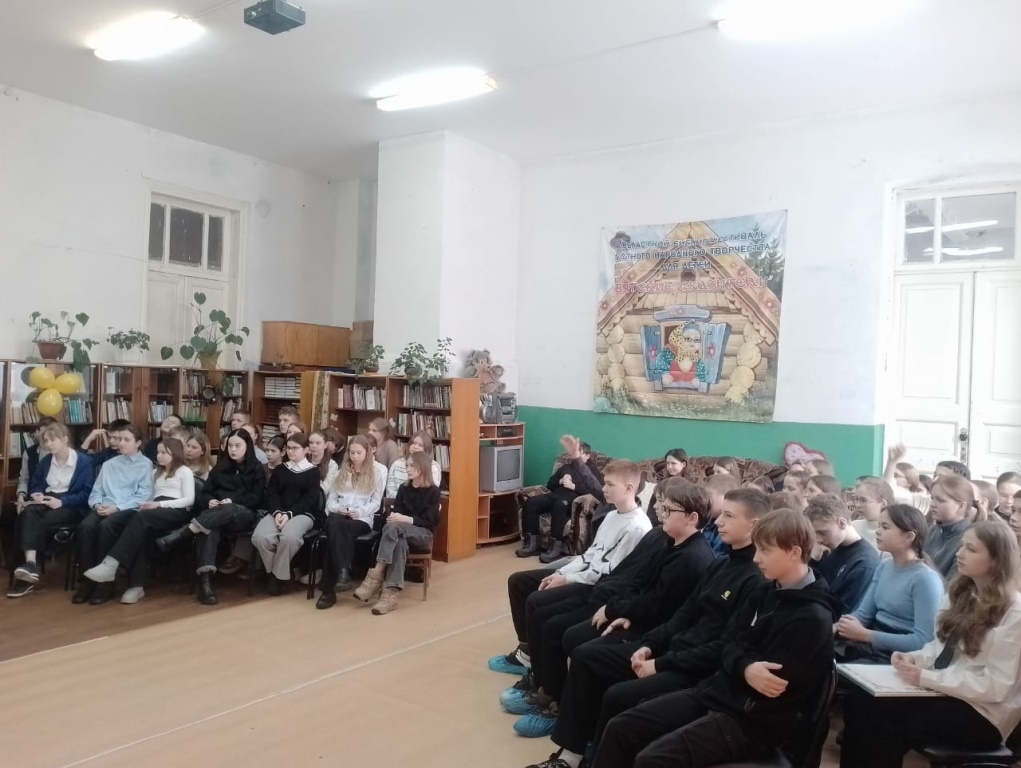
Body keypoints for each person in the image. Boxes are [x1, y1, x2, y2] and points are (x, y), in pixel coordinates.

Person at [522, 488, 770, 768]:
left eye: (729, 516)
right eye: (721, 514)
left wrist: (659, 662)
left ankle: (592, 756)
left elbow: (721, 647)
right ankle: (572, 755)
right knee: (587, 657)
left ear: (754, 524)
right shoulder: (722, 562)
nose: (719, 522)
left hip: (694, 669)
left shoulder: (752, 578)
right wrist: (649, 644)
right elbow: (684, 614)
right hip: (673, 648)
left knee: (616, 695)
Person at [591, 509, 841, 768]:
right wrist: (744, 667)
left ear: (794, 553)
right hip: (718, 692)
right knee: (622, 727)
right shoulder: (767, 590)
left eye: (765, 551)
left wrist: (739, 663)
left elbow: (767, 688)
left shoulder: (812, 619)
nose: (756, 558)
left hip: (750, 722)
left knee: (652, 760)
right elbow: (730, 642)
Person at [509, 478, 716, 739]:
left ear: (692, 518)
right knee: (554, 621)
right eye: (661, 507)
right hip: (631, 610)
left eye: (668, 509)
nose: (660, 513)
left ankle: (563, 716)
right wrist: (619, 609)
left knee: (578, 645)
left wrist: (617, 611)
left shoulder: (692, 557)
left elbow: (661, 607)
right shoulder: (667, 540)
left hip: (654, 630)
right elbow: (639, 580)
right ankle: (550, 693)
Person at [840, 523, 1021, 768]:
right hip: (944, 693)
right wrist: (914, 659)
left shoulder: (1014, 612)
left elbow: (995, 687)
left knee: (880, 715)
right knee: (859, 700)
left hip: (983, 714)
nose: (960, 554)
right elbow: (940, 649)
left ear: (997, 560)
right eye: (961, 546)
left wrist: (926, 678)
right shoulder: (961, 593)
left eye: (971, 549)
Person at [490, 459, 650, 678]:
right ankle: (527, 653)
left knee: (537, 600)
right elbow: (590, 555)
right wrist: (562, 573)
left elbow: (609, 572)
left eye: (610, 484)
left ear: (629, 488)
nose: (603, 489)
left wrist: (568, 579)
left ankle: (538, 668)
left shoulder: (637, 527)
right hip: (584, 573)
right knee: (519, 581)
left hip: (596, 585)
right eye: (605, 483)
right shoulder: (612, 515)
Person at [155, 429, 265, 606]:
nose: (233, 449)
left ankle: (184, 532)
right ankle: (205, 585)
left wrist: (232, 501)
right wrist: (210, 501)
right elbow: (205, 493)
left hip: (243, 515)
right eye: (230, 445)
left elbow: (257, 498)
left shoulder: (256, 468)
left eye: (238, 445)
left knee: (227, 509)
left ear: (248, 446)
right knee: (208, 528)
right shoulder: (221, 466)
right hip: (216, 516)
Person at [82, 437, 195, 604]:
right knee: (139, 533)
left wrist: (159, 504)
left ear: (175, 453)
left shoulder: (184, 471)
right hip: (154, 511)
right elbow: (149, 496)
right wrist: (147, 504)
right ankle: (136, 586)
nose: (159, 455)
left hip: (176, 510)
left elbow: (189, 500)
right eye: (158, 452)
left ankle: (111, 563)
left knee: (140, 518)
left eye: (164, 452)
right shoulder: (155, 473)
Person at [833, 504, 944, 663]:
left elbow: (923, 641)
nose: (878, 531)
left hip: (898, 657)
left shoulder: (925, 579)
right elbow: (863, 615)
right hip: (870, 647)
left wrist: (866, 635)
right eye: (879, 525)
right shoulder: (885, 566)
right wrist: (838, 627)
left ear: (909, 537)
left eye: (885, 527)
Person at [6, 423, 95, 598]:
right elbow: (36, 484)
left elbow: (86, 494)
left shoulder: (83, 462)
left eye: (52, 440)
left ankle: (26, 578)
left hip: (71, 505)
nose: (48, 444)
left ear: (65, 439)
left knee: (30, 523)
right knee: (27, 513)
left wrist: (62, 501)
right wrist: (38, 495)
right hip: (47, 500)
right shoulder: (46, 461)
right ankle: (31, 564)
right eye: (46, 440)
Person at [351, 451, 442, 615]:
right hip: (401, 533)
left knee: (394, 528)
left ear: (423, 467)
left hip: (423, 533)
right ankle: (390, 596)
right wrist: (395, 518)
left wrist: (405, 519)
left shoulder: (434, 492)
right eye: (407, 465)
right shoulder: (403, 488)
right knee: (398, 541)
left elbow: (428, 522)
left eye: (412, 465)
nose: (408, 469)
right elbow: (397, 515)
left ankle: (376, 575)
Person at [72, 424, 154, 606]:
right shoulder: (109, 464)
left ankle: (105, 585)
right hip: (105, 506)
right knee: (85, 527)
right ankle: (86, 581)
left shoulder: (146, 465)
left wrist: (116, 508)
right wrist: (97, 504)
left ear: (137, 443)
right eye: (119, 439)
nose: (121, 443)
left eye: (126, 440)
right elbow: (96, 491)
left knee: (105, 527)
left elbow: (143, 496)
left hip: (128, 509)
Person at [316, 435, 387, 604]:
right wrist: (338, 508)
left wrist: (360, 511)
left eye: (359, 453)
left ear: (367, 453)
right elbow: (330, 502)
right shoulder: (340, 473)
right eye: (352, 452)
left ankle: (329, 589)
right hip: (340, 515)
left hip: (361, 520)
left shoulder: (376, 474)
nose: (355, 456)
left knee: (334, 530)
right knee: (335, 523)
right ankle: (342, 573)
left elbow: (376, 503)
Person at [251, 433, 322, 595]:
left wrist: (290, 514)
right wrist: (277, 512)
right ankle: (279, 572)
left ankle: (274, 578)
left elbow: (310, 499)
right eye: (288, 448)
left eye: (295, 448)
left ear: (306, 450)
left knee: (289, 538)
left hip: (303, 514)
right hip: (277, 512)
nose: (291, 451)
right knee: (260, 537)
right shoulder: (280, 469)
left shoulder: (313, 472)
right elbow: (273, 494)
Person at [516, 436, 604, 564]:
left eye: (579, 453)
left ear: (587, 456)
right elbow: (550, 484)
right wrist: (560, 481)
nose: (576, 457)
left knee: (559, 505)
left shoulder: (592, 471)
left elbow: (596, 491)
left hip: (573, 499)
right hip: (556, 495)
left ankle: (555, 548)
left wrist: (574, 486)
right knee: (531, 502)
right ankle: (532, 545)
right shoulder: (566, 467)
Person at [806, 493, 879, 612]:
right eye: (815, 533)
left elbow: (842, 610)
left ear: (842, 523)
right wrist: (813, 560)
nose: (818, 539)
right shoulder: (826, 549)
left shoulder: (864, 563)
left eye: (822, 532)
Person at [927, 474, 977, 580]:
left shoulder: (969, 539)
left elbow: (953, 584)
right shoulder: (931, 531)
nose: (932, 504)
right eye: (932, 498)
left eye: (940, 500)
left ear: (961, 506)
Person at [385, 430, 443, 499]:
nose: (415, 447)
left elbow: (432, 493)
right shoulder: (397, 464)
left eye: (420, 445)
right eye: (414, 443)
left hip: (423, 503)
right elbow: (390, 492)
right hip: (399, 502)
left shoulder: (433, 466)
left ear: (426, 449)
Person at [644, 449, 687, 527]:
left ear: (684, 464)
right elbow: (651, 510)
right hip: (658, 525)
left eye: (673, 463)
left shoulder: (689, 487)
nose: (669, 467)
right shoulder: (662, 485)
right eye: (667, 463)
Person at [850, 477, 895, 551]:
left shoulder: (892, 533)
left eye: (863, 500)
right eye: (856, 499)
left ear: (883, 504)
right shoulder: (853, 526)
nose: (857, 505)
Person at [702, 473, 740, 556]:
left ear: (725, 496)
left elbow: (714, 559)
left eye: (709, 495)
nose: (705, 499)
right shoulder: (710, 520)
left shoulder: (728, 529)